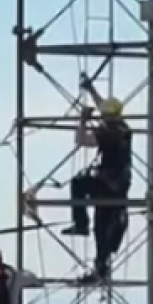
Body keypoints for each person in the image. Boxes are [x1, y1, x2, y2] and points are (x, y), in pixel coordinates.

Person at [63, 93, 133, 283]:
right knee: (103, 228)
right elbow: (104, 107)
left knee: (78, 184)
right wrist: (91, 89)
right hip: (119, 188)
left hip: (107, 184)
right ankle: (100, 268)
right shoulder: (123, 128)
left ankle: (81, 224)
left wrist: (83, 120)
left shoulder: (109, 132)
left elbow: (81, 140)